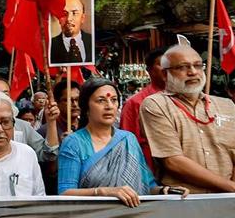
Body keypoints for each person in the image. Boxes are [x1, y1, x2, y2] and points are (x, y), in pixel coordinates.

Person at [58, 78, 188, 207]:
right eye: (101, 100)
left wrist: (165, 191)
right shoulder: (74, 142)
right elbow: (65, 193)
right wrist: (103, 191)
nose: (109, 106)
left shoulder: (128, 139)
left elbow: (147, 185)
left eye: (113, 100)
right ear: (86, 106)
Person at [140, 45, 235, 193]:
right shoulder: (156, 104)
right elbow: (172, 161)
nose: (193, 72)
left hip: (230, 201)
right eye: (183, 67)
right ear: (165, 74)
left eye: (198, 65)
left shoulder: (226, 105)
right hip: (185, 200)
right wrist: (232, 188)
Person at [120, 47, 167, 168]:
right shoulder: (135, 103)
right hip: (149, 169)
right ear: (149, 70)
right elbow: (128, 144)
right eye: (162, 64)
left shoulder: (182, 98)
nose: (167, 69)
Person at [50, 0, 93, 64]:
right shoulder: (50, 46)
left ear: (82, 18)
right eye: (64, 13)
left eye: (74, 13)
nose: (69, 19)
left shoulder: (92, 41)